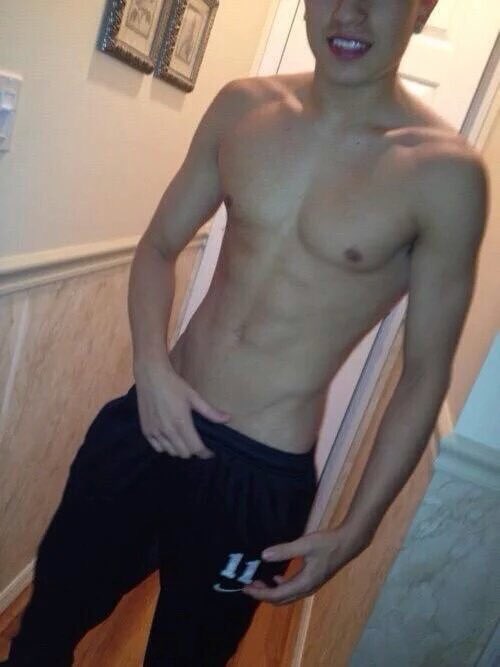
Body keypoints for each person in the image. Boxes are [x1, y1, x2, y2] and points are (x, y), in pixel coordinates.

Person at [5, 0, 488, 664]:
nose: (348, 14)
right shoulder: (244, 108)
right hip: (151, 419)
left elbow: (425, 373)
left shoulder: (446, 176)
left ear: (423, 7)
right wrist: (151, 366)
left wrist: (358, 528)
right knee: (42, 629)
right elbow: (158, 246)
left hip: (258, 477)